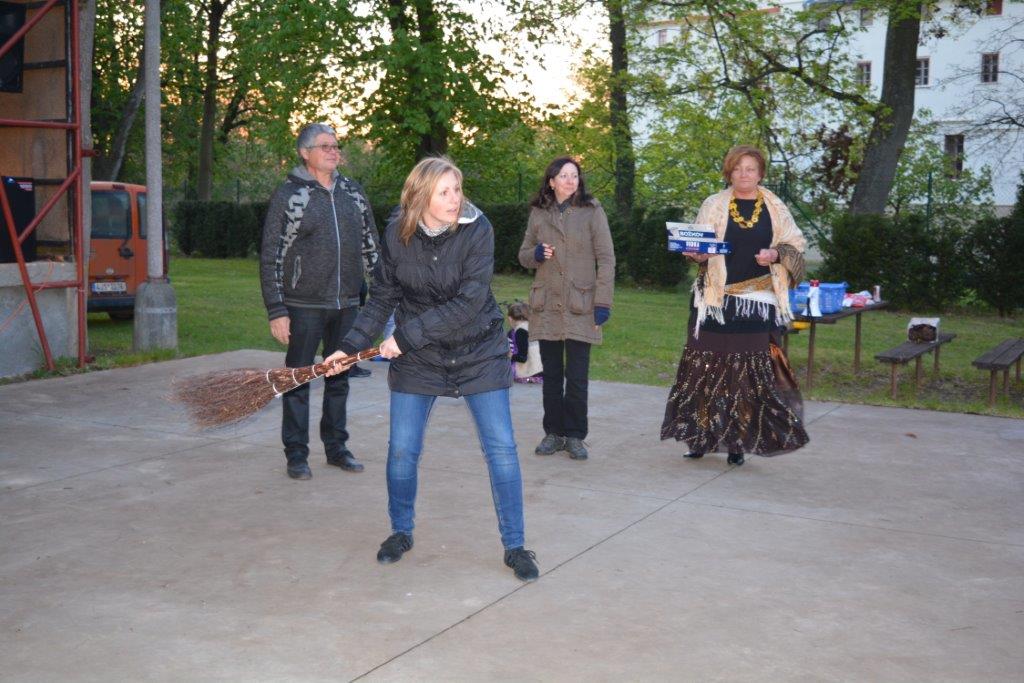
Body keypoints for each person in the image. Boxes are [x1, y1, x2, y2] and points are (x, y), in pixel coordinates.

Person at [324, 156, 539, 582]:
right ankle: (400, 531)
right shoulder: (396, 234)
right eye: (444, 192)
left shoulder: (478, 228)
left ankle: (515, 546)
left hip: (478, 352)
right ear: (420, 196)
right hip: (420, 361)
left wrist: (404, 338)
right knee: (402, 450)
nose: (455, 198)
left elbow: (469, 301)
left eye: (457, 189)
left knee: (501, 450)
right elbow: (382, 297)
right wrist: (347, 347)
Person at [660, 144, 809, 465]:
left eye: (751, 169)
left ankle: (738, 442)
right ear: (729, 172)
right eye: (738, 169)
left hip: (757, 303)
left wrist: (776, 254)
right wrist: (696, 254)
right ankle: (700, 438)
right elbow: (700, 249)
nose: (744, 174)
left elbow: (796, 245)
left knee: (745, 374)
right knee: (706, 369)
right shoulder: (713, 204)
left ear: (761, 173)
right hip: (715, 300)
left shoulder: (776, 207)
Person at [259, 122, 380, 480]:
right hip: (304, 304)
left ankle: (337, 448)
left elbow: (371, 246)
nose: (333, 151)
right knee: (297, 379)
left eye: (336, 146)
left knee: (340, 378)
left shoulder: (353, 192)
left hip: (348, 304)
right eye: (325, 146)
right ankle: (296, 455)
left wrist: (382, 294)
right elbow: (272, 255)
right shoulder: (290, 196)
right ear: (304, 152)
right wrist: (277, 310)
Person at [517, 156, 615, 461]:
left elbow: (607, 258)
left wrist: (602, 302)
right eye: (563, 175)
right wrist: (535, 254)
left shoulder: (592, 210)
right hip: (546, 305)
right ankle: (553, 433)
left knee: (576, 376)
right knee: (551, 375)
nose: (570, 180)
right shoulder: (538, 213)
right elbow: (523, 255)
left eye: (574, 175)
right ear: (551, 182)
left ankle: (575, 436)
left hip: (581, 305)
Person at [506, 301, 543, 384]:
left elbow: (522, 357)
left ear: (510, 318)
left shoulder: (520, 331)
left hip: (532, 372)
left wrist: (510, 355)